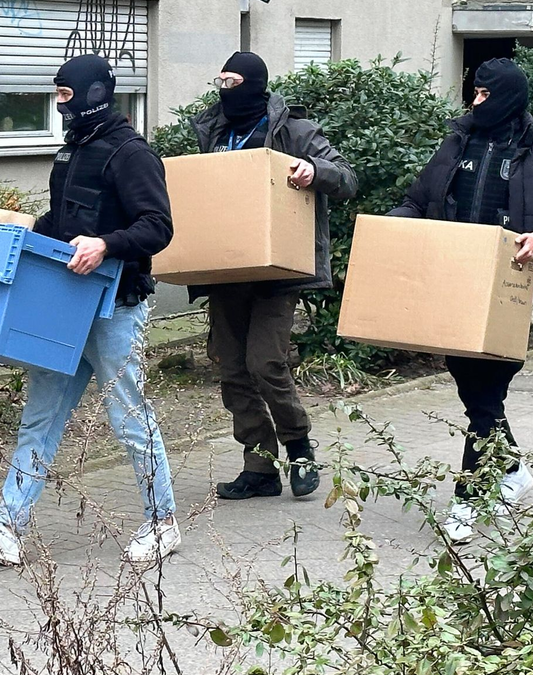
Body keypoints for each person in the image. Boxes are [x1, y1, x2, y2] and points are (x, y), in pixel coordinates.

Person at [0, 54, 179, 566]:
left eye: (65, 94)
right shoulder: (71, 151)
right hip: (65, 308)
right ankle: (7, 528)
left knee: (129, 419)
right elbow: (62, 223)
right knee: (40, 419)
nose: (58, 102)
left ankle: (162, 522)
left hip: (116, 310)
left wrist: (106, 244)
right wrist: (21, 229)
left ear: (94, 94)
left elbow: (158, 226)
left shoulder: (131, 153)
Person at [387, 58, 533, 542]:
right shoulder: (456, 144)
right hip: (453, 283)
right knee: (471, 387)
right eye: (474, 93)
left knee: (488, 391)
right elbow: (418, 201)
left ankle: (468, 498)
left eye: (484, 94)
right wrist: (391, 229)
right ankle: (513, 469)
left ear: (508, 98)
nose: (475, 102)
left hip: (508, 290)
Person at [188, 52, 358, 501]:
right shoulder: (213, 130)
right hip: (227, 267)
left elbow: (346, 177)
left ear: (255, 84)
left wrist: (314, 170)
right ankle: (260, 467)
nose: (224, 90)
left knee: (265, 363)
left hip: (279, 270)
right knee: (232, 370)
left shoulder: (295, 130)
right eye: (220, 81)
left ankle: (298, 446)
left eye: (232, 82)